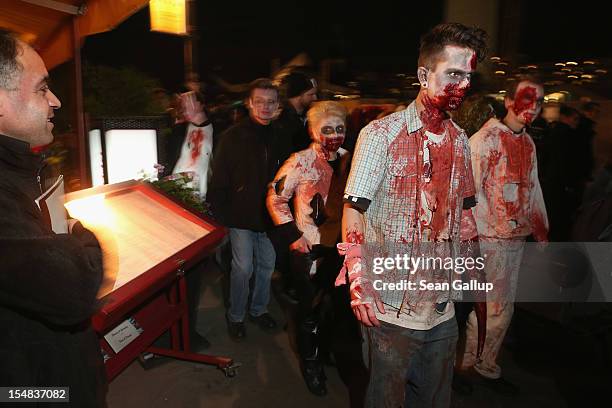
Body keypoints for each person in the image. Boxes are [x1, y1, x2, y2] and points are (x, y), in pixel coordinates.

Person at [337, 23, 488, 407]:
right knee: (386, 399)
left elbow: (465, 214)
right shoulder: (380, 135)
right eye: (453, 74)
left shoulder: (458, 140)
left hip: (441, 309)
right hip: (390, 307)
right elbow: (354, 209)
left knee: (436, 399)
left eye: (468, 76)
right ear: (424, 75)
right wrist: (359, 283)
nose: (463, 85)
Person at [0, 29, 106, 406]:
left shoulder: (23, 163)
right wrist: (83, 235)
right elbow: (76, 287)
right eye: (43, 88)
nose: (56, 101)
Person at [460, 75, 549, 394]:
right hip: (490, 240)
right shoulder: (485, 140)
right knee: (492, 306)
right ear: (510, 101)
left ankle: (481, 362)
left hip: (515, 239)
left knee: (502, 306)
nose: (534, 108)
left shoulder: (527, 142)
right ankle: (473, 364)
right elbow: (467, 194)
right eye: (528, 100)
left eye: (540, 102)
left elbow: (533, 187)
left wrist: (540, 230)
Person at [267, 101, 352, 396]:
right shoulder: (300, 160)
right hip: (309, 250)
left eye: (340, 128)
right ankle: (311, 364)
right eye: (327, 128)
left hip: (340, 250)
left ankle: (323, 350)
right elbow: (275, 198)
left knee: (336, 309)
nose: (334, 134)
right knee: (310, 313)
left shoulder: (348, 159)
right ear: (313, 130)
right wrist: (293, 235)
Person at [209, 78, 292, 341]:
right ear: (249, 103)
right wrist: (220, 214)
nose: (265, 107)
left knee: (267, 267)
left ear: (277, 105)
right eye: (259, 101)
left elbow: (291, 177)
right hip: (240, 216)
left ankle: (258, 310)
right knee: (243, 268)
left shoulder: (281, 136)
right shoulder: (232, 137)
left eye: (270, 102)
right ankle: (236, 316)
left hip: (271, 217)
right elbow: (219, 177)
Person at [542, 104, 581, 242]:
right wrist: (571, 184)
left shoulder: (552, 132)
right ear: (565, 117)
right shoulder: (569, 136)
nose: (576, 123)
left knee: (553, 216)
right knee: (562, 218)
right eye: (575, 119)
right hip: (562, 184)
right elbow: (569, 162)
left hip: (551, 181)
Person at [278, 71, 318, 152]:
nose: (315, 98)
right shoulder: (281, 121)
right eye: (310, 94)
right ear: (297, 95)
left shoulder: (309, 115)